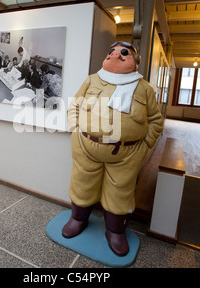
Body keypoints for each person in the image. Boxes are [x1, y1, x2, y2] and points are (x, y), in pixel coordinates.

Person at [63, 41, 163, 256]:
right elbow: (75, 105)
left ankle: (115, 231)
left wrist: (146, 144)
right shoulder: (91, 80)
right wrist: (74, 128)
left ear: (135, 61)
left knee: (121, 191)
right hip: (86, 146)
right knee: (82, 182)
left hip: (127, 153)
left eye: (123, 53)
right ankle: (78, 219)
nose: (115, 55)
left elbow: (155, 119)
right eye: (112, 52)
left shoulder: (144, 88)